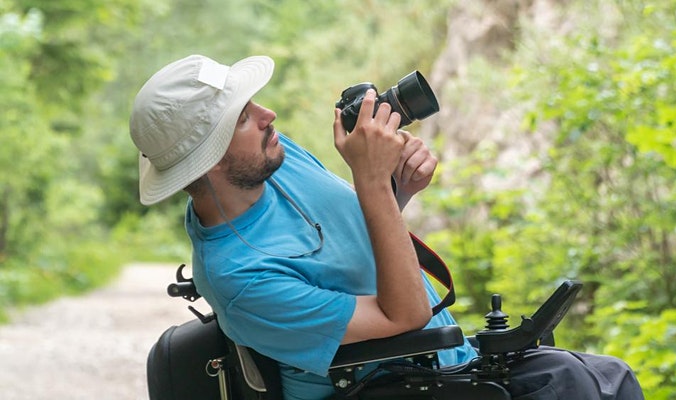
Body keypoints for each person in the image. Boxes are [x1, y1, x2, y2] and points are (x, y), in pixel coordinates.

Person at [130, 54, 644, 400]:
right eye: (243, 117)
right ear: (209, 159)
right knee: (575, 384)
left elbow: (348, 240)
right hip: (383, 384)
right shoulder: (239, 279)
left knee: (612, 377)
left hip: (434, 361)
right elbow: (406, 316)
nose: (269, 114)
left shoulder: (275, 161)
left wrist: (394, 188)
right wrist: (371, 183)